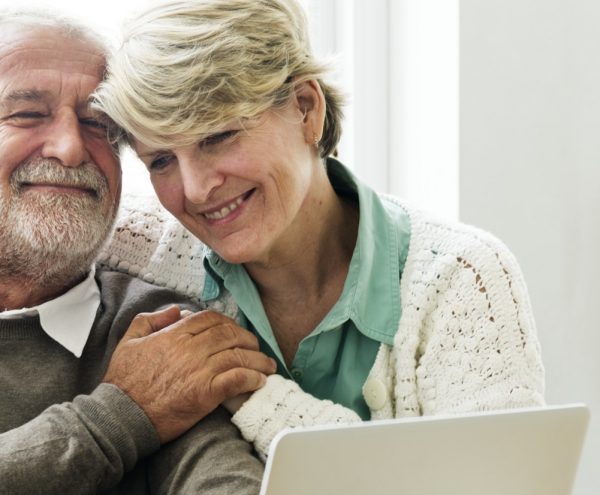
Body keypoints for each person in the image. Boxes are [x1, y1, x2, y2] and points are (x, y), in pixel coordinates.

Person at [94, 0, 545, 462]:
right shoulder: (133, 248)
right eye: (162, 161)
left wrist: (255, 396)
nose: (195, 189)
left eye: (217, 137)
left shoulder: (461, 278)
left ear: (306, 109)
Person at [0, 8, 278, 495]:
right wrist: (116, 419)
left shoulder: (156, 331)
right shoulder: (141, 384)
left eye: (98, 125)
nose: (72, 148)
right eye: (26, 113)